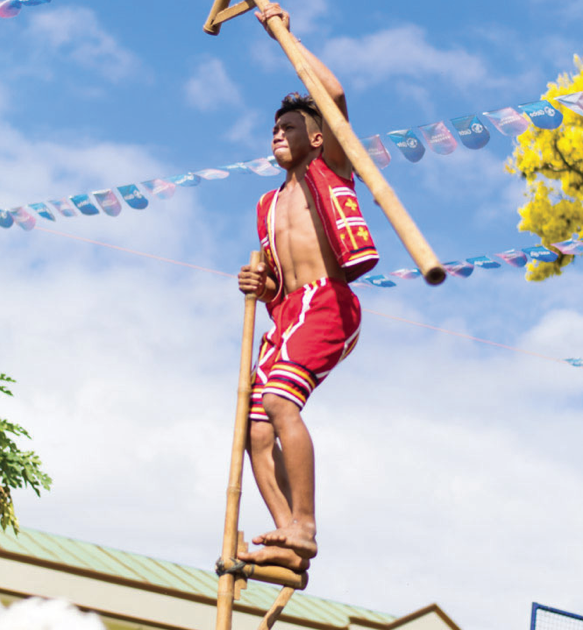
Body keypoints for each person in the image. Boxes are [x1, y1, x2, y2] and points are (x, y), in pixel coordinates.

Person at [237, 2, 379, 572]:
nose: (278, 131)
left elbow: (335, 97)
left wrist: (283, 35)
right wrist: (260, 284)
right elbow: (277, 279)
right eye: (274, 127)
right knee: (252, 428)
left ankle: (306, 523)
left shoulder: (331, 170)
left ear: (318, 139)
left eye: (290, 126)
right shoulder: (267, 204)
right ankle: (287, 538)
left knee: (279, 401)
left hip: (329, 301)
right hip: (287, 312)